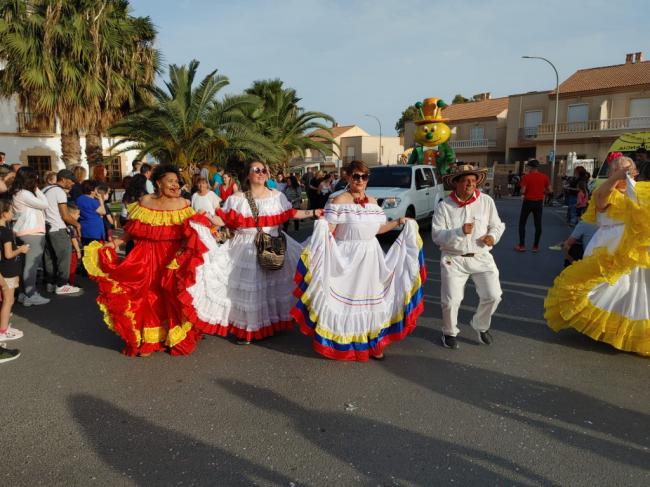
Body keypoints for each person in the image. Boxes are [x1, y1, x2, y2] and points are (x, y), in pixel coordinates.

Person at [292, 160, 426, 361]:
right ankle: (344, 343)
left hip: (371, 256)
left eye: (364, 176)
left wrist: (398, 222)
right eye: (356, 176)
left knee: (371, 301)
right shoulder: (337, 201)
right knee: (348, 302)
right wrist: (321, 230)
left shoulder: (373, 202)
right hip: (346, 257)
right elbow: (330, 230)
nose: (360, 180)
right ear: (347, 177)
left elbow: (377, 229)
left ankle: (373, 342)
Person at [178, 159, 320, 344]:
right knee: (250, 290)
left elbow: (291, 213)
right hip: (245, 249)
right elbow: (224, 221)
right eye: (256, 170)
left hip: (274, 244)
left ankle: (267, 324)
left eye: (264, 170)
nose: (261, 173)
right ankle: (248, 329)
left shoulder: (277, 196)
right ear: (248, 175)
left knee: (271, 287)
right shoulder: (237, 199)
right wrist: (204, 218)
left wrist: (314, 212)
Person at [83, 164, 210, 357]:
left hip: (171, 257)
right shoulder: (145, 201)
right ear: (158, 183)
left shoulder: (183, 204)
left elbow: (190, 235)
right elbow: (132, 230)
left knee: (170, 297)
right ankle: (149, 340)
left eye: (177, 181)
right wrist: (116, 242)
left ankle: (171, 335)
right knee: (145, 297)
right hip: (145, 257)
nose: (175, 185)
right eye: (171, 181)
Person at [545, 156, 650, 356]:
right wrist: (616, 178)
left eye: (630, 170)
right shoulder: (604, 191)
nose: (626, 175)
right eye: (621, 171)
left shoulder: (640, 192)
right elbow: (601, 202)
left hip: (631, 249)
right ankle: (593, 326)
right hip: (607, 248)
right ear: (612, 173)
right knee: (601, 288)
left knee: (632, 292)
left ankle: (622, 333)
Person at [431, 164, 505, 350]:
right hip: (453, 258)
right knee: (451, 300)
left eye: (473, 181)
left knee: (494, 295)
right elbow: (436, 235)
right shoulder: (444, 206)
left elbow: (497, 225)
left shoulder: (486, 201)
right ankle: (449, 332)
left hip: (481, 256)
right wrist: (458, 231)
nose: (470, 184)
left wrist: (492, 237)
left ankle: (480, 325)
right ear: (456, 183)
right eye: (465, 181)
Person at [12, 167, 50, 306]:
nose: (37, 179)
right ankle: (31, 294)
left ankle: (24, 293)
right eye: (35, 177)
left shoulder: (18, 193)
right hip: (32, 232)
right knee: (31, 266)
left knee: (25, 265)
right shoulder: (25, 193)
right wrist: (36, 189)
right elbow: (45, 204)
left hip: (24, 232)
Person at [43, 169, 81, 295]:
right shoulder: (59, 191)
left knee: (50, 257)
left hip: (46, 228)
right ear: (63, 179)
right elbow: (65, 215)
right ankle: (62, 284)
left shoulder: (45, 189)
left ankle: (50, 283)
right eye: (71, 181)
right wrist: (77, 224)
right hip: (57, 228)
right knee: (64, 257)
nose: (73, 184)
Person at [0, 199, 29, 341]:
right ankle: (3, 331)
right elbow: (8, 254)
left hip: (3, 270)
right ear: (4, 214)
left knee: (5, 300)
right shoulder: (5, 232)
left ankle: (3, 327)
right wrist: (21, 250)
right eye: (11, 210)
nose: (13, 213)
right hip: (8, 271)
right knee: (8, 300)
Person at [515, 159, 550, 252]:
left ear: (530, 167)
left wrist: (525, 191)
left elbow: (522, 191)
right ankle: (535, 246)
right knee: (538, 224)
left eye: (528, 167)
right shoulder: (544, 177)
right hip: (538, 202)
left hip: (528, 202)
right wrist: (542, 191)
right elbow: (549, 190)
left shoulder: (526, 177)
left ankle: (522, 246)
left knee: (522, 223)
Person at [65, 202, 82, 286]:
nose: (79, 216)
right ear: (71, 215)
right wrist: (78, 251)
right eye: (78, 214)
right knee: (72, 267)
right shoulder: (71, 226)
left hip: (68, 250)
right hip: (72, 250)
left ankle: (69, 282)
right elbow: (73, 239)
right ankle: (70, 284)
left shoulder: (66, 224)